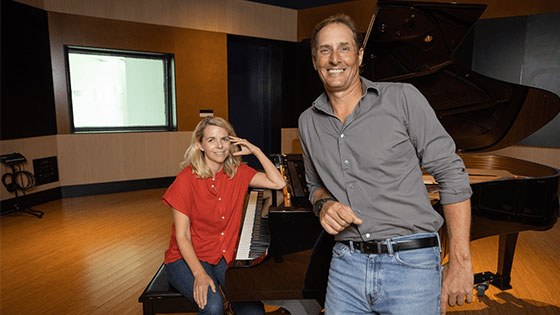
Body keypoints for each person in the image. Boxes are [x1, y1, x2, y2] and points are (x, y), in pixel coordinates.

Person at [298, 14, 474, 315]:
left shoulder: (403, 99)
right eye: (325, 50)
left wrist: (459, 261)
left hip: (411, 265)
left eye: (344, 48)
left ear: (360, 55)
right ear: (315, 60)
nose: (335, 58)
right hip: (346, 265)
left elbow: (451, 175)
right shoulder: (307, 122)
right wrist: (324, 204)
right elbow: (315, 186)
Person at [162, 116, 286, 315]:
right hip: (186, 257)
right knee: (213, 306)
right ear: (200, 145)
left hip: (224, 255)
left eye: (224, 139)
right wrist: (199, 274)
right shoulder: (186, 179)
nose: (219, 146)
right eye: (211, 140)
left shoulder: (239, 172)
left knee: (253, 311)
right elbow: (182, 236)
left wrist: (256, 151)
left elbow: (278, 183)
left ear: (231, 142)